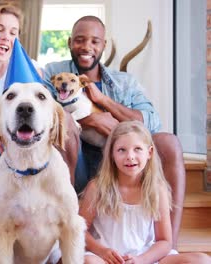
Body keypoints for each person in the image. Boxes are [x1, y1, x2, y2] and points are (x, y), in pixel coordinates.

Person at [43, 15, 185, 249]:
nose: (87, 47)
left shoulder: (124, 83)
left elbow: (151, 123)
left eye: (94, 41)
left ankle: (168, 246)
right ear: (69, 42)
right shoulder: (55, 73)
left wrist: (104, 102)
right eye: (79, 40)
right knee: (64, 121)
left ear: (103, 46)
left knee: (169, 142)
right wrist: (95, 120)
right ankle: (64, 240)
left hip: (122, 167)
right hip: (74, 162)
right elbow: (44, 112)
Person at [0, 4, 80, 246]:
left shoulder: (33, 72)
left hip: (27, 153)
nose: (5, 36)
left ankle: (64, 205)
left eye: (13, 32)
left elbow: (47, 115)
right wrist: (4, 135)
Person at [79, 121, 210, 264]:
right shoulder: (97, 188)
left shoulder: (157, 189)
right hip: (106, 259)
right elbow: (79, 230)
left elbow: (165, 241)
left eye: (137, 149)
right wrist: (102, 251)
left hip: (145, 257)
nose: (130, 156)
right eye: (122, 150)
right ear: (111, 154)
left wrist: (141, 260)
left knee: (202, 260)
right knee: (88, 262)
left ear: (150, 153)